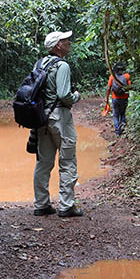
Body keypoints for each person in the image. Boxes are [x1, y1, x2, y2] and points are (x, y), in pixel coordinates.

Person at [33, 30, 83, 218]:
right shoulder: (62, 66)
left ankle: (41, 204)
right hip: (60, 117)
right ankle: (66, 205)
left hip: (42, 118)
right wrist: (76, 96)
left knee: (43, 163)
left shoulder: (40, 63)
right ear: (57, 46)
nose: (68, 42)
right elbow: (64, 96)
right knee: (68, 160)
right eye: (65, 40)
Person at [104, 61, 131, 136]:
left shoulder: (112, 76)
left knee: (116, 115)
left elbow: (108, 88)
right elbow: (129, 87)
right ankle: (123, 128)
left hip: (115, 98)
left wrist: (106, 98)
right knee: (122, 113)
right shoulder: (127, 76)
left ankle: (117, 131)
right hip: (124, 98)